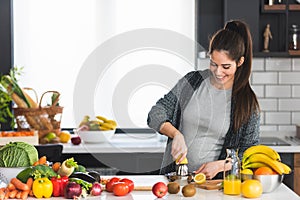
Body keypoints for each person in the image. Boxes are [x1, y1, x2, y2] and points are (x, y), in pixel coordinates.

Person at [147, 20, 260, 179]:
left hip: (215, 186)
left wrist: (222, 165)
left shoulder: (247, 103)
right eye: (214, 64)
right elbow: (155, 113)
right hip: (176, 181)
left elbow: (250, 152)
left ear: (240, 62)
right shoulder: (192, 82)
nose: (218, 72)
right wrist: (175, 134)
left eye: (225, 67)